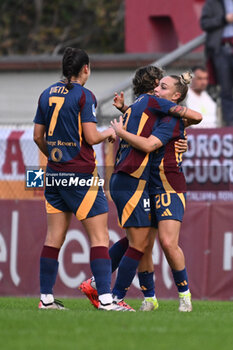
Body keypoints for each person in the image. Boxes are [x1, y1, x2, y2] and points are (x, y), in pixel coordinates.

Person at [80, 67, 202, 312]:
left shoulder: (143, 108)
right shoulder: (153, 107)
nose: (158, 90)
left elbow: (178, 124)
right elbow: (151, 142)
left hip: (157, 185)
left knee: (145, 241)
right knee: (140, 243)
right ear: (154, 85)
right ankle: (115, 296)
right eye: (159, 85)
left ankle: (171, 296)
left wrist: (124, 118)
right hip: (134, 181)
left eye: (164, 88)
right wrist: (121, 129)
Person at [33, 47, 129, 311]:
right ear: (86, 68)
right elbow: (90, 137)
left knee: (53, 238)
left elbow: (38, 137)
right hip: (81, 176)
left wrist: (57, 158)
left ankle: (46, 299)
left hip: (54, 175)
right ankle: (108, 301)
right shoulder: (85, 96)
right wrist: (111, 131)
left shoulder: (46, 93)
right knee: (100, 238)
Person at [200, 0, 233, 126]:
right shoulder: (212, 3)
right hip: (221, 49)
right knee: (225, 89)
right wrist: (224, 19)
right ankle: (230, 124)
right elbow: (204, 23)